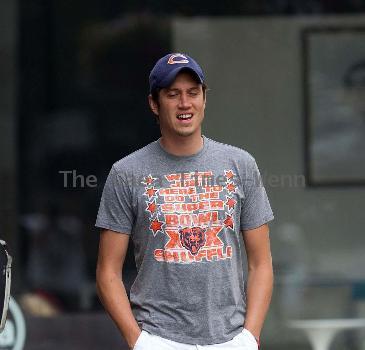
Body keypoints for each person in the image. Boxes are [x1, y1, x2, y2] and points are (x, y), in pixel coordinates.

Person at [95, 53, 274, 350]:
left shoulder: (240, 165)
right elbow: (107, 272)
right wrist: (139, 342)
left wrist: (249, 338)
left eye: (193, 93)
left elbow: (261, 263)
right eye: (172, 94)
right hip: (158, 338)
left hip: (231, 340)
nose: (184, 104)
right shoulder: (126, 173)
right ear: (154, 103)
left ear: (204, 99)